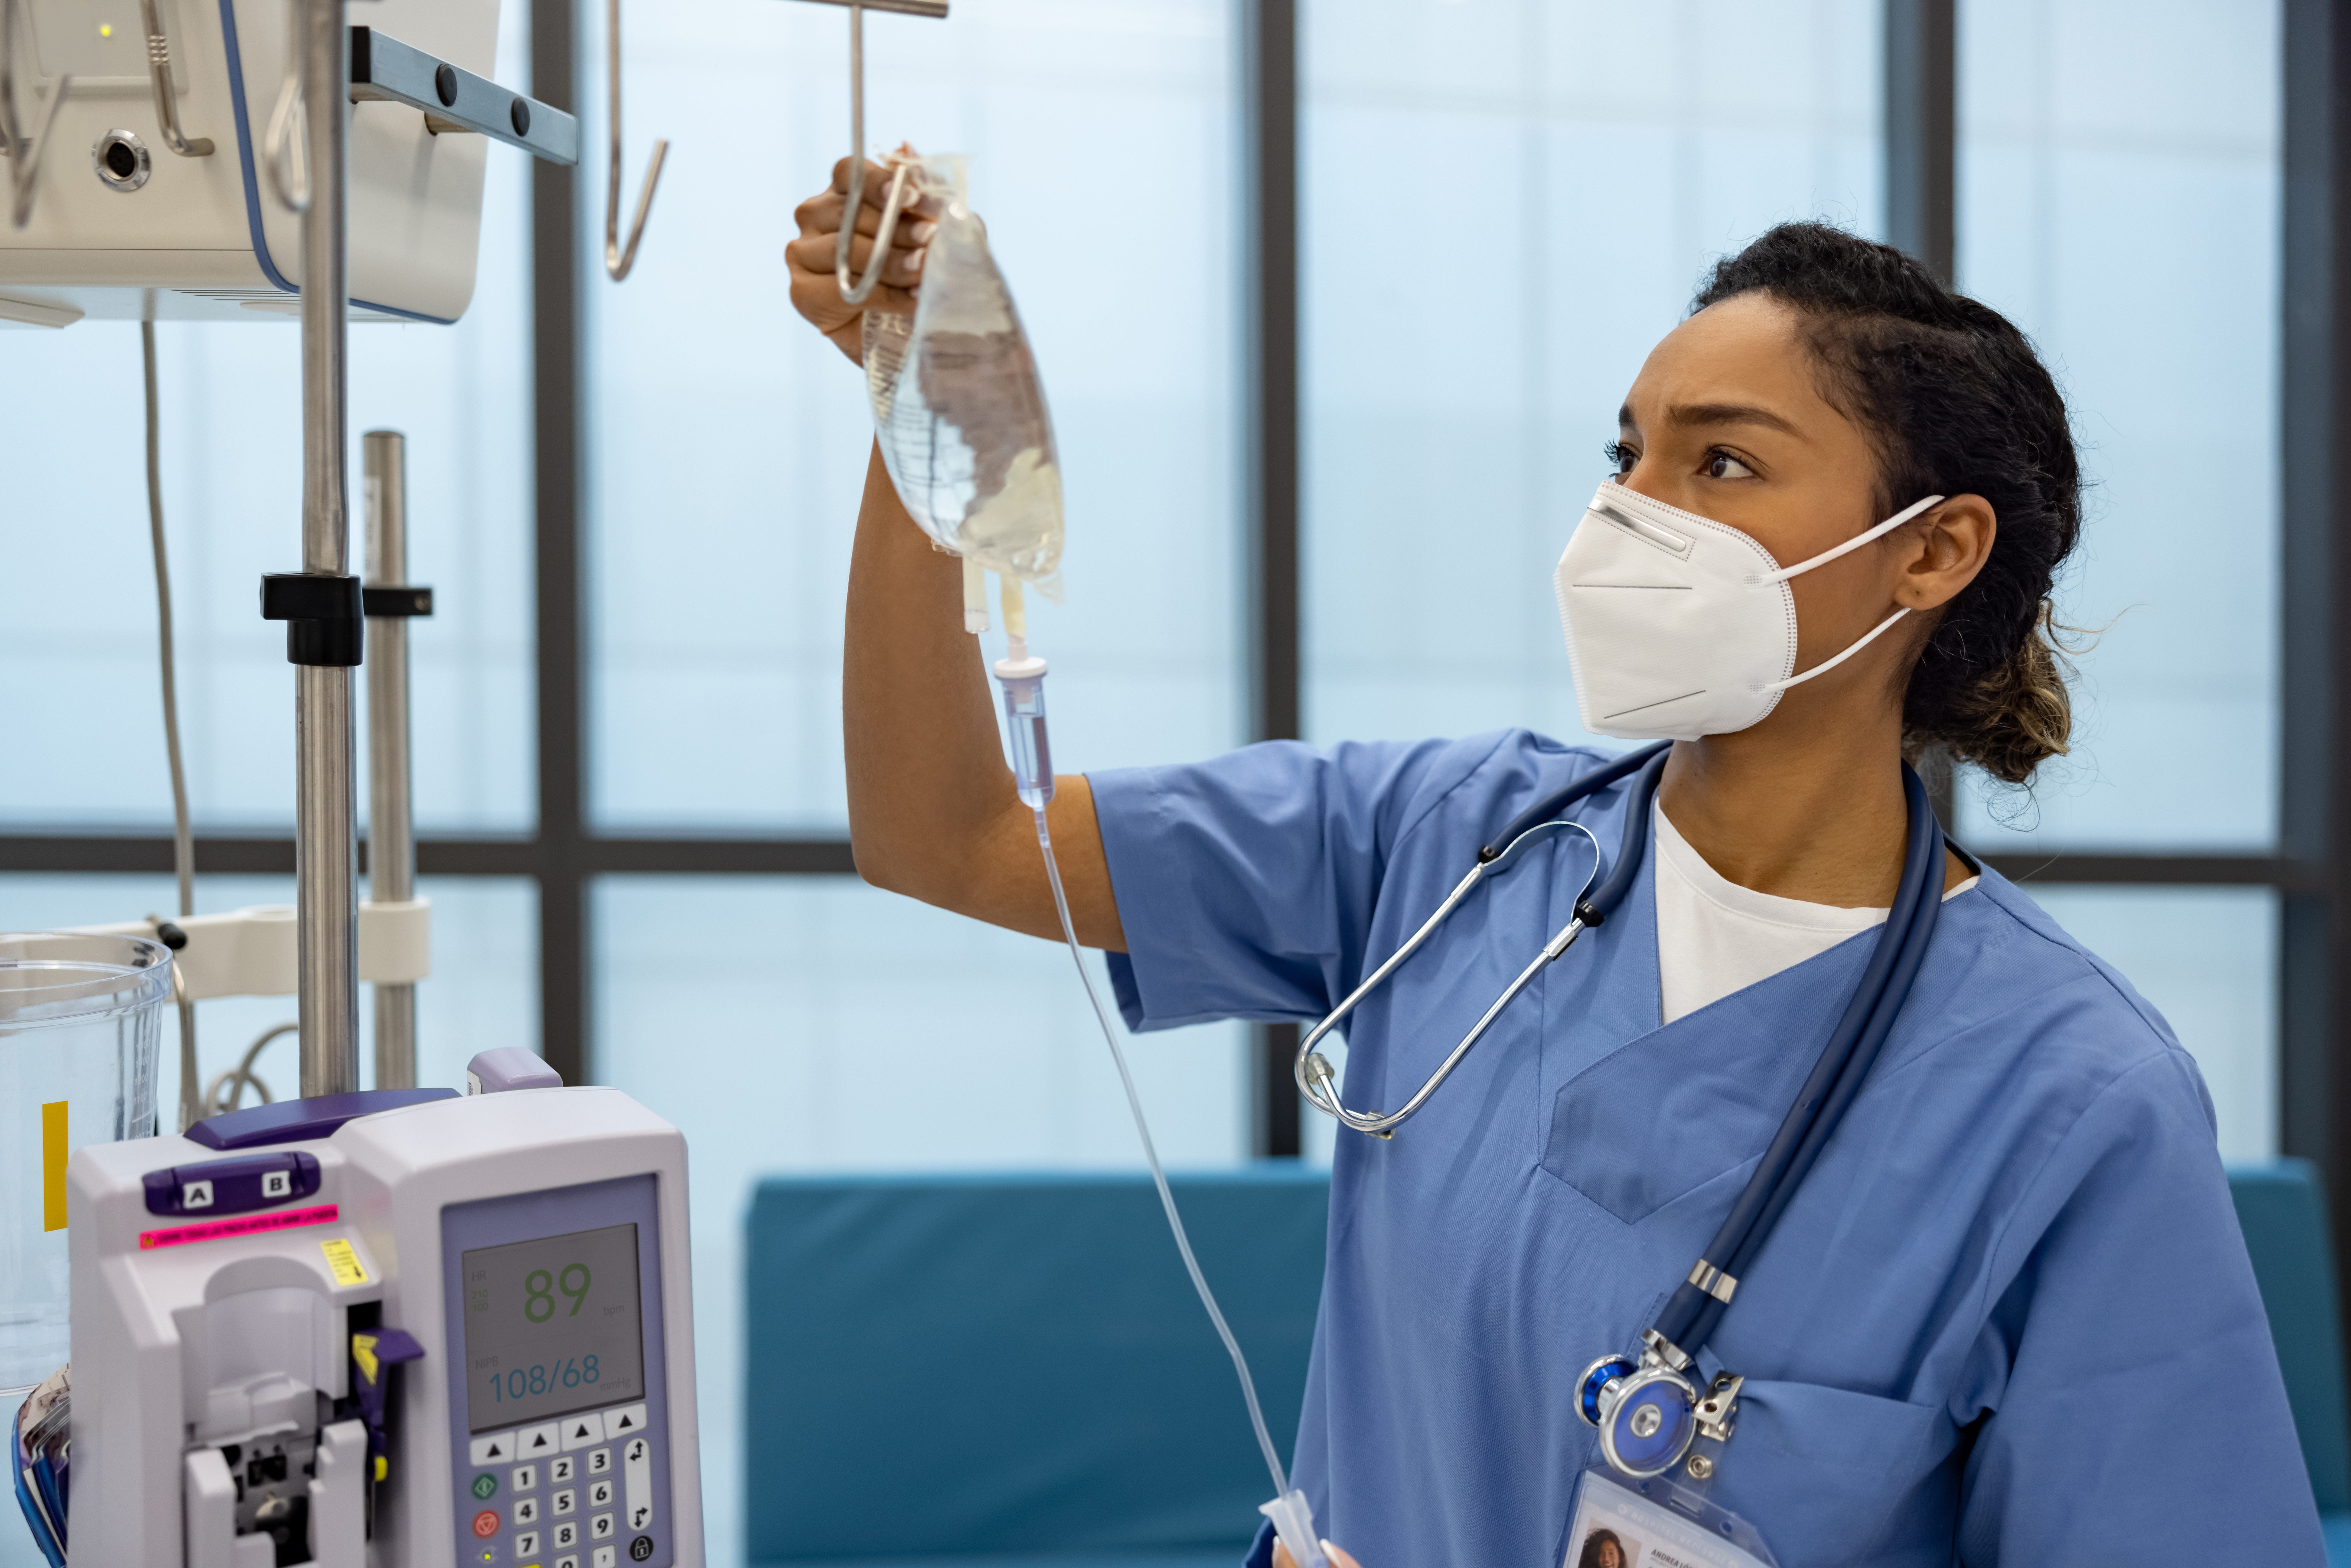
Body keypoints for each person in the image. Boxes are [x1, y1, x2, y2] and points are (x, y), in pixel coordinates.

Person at [787, 162, 2324, 1564]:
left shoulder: (2070, 1101)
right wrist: (914, 390)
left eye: (1721, 465)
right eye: (1629, 453)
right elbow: (950, 834)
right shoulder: (1440, 842)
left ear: (1932, 552)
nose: (1628, 514)